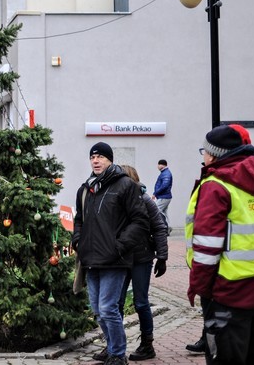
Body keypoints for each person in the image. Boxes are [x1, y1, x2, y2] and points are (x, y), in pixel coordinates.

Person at [186, 125, 254, 364]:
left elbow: (207, 247)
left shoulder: (216, 185)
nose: (203, 156)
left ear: (214, 154)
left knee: (224, 356)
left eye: (203, 151)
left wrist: (199, 287)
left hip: (226, 289)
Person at [72, 142, 149, 365]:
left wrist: (120, 245)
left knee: (108, 308)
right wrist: (78, 240)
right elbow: (79, 219)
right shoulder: (86, 188)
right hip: (91, 258)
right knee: (97, 310)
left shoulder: (125, 185)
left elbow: (140, 221)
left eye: (100, 157)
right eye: (92, 157)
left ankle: (118, 354)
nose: (95, 160)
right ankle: (112, 347)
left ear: (110, 160)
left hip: (115, 259)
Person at [114, 164, 169, 361]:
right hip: (120, 259)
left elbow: (159, 227)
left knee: (140, 302)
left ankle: (147, 344)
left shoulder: (145, 200)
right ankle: (114, 345)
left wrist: (162, 257)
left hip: (141, 259)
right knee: (116, 303)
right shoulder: (116, 199)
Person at [153, 159, 173, 231]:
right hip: (164, 196)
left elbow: (165, 185)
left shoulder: (166, 173)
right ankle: (167, 228)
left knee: (157, 210)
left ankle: (165, 228)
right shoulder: (164, 173)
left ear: (162, 165)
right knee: (164, 212)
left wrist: (155, 193)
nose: (157, 166)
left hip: (164, 196)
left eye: (158, 164)